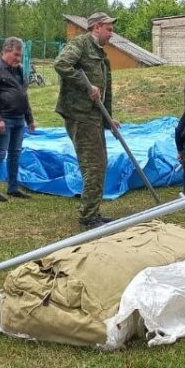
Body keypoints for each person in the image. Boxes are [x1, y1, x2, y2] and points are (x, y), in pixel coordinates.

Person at [54, 12, 120, 229]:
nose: (111, 34)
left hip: (94, 116)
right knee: (94, 165)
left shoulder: (102, 55)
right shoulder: (80, 44)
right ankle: (89, 216)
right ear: (97, 27)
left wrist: (109, 118)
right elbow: (62, 64)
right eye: (109, 29)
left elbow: (105, 92)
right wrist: (86, 86)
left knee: (98, 164)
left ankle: (92, 211)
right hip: (80, 115)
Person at [0, 37, 36, 202]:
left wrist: (30, 119)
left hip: (19, 119)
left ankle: (13, 187)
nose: (18, 59)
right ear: (5, 51)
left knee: (15, 154)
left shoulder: (18, 70)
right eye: (15, 55)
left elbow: (23, 96)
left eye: (20, 56)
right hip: (3, 119)